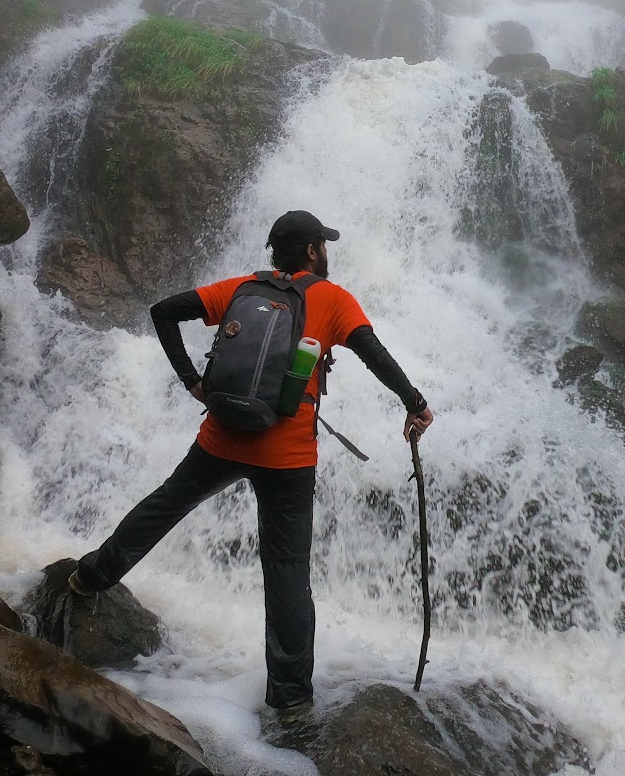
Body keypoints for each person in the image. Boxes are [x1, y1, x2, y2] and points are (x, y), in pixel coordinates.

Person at [68, 209, 434, 720]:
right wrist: (415, 404)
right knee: (286, 570)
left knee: (166, 505)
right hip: (287, 456)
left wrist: (193, 382)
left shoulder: (241, 288)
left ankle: (88, 578)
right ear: (312, 251)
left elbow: (163, 312)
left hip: (222, 437)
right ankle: (290, 700)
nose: (326, 252)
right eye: (323, 245)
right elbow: (374, 355)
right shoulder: (333, 298)